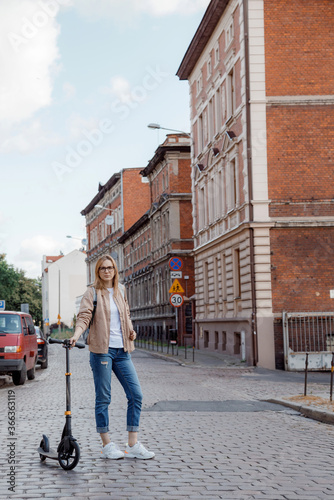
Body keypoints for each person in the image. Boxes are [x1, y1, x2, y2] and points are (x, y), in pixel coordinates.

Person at [70, 255, 155, 460]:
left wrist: (131, 331)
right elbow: (84, 317)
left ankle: (133, 444)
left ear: (115, 270)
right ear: (98, 271)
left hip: (123, 351)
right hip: (102, 351)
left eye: (110, 268)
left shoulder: (121, 290)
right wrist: (75, 335)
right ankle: (107, 444)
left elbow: (125, 315)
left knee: (136, 395)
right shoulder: (92, 293)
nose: (107, 271)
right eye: (103, 268)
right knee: (104, 398)